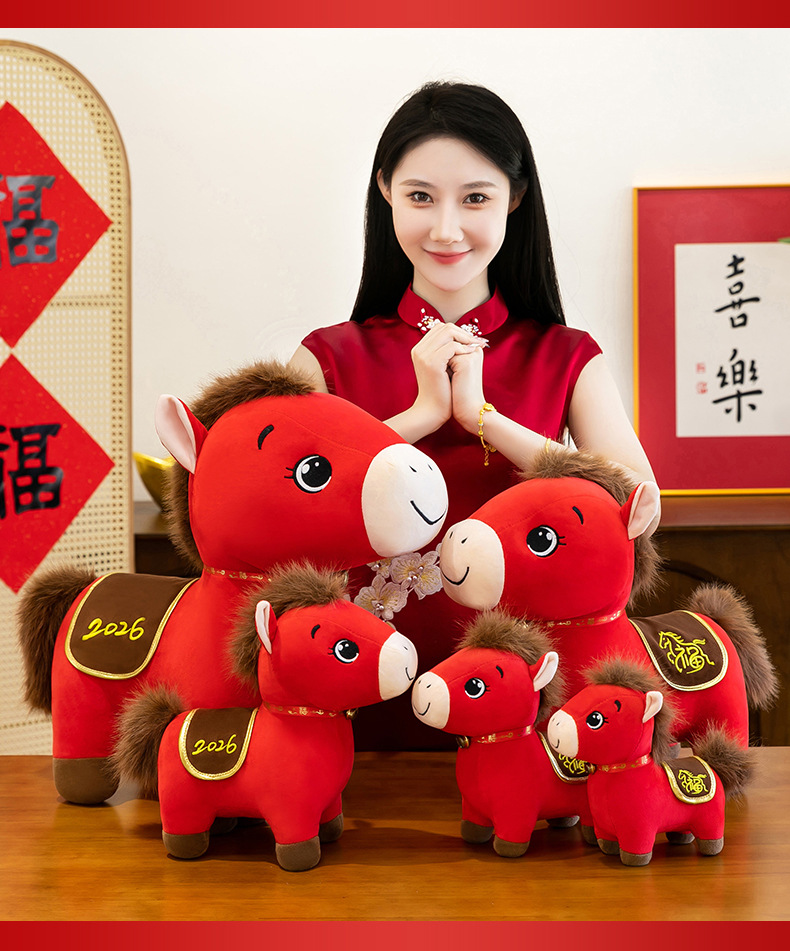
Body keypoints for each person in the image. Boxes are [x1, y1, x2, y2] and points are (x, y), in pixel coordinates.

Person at [288, 81, 656, 750]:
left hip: (526, 708)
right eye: (420, 196)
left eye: (476, 198)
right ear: (385, 192)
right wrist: (420, 416)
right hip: (353, 696)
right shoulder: (326, 357)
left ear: (515, 198)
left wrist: (485, 418)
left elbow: (638, 503)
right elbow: (280, 511)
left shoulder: (567, 356)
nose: (446, 229)